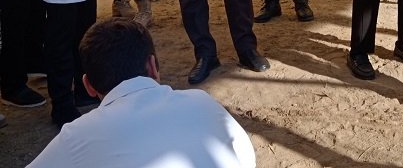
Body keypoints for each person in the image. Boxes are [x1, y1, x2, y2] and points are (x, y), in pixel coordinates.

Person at [27, 18, 256, 168]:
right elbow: (246, 157)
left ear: (88, 85)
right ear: (153, 66)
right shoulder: (202, 101)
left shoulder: (77, 135)